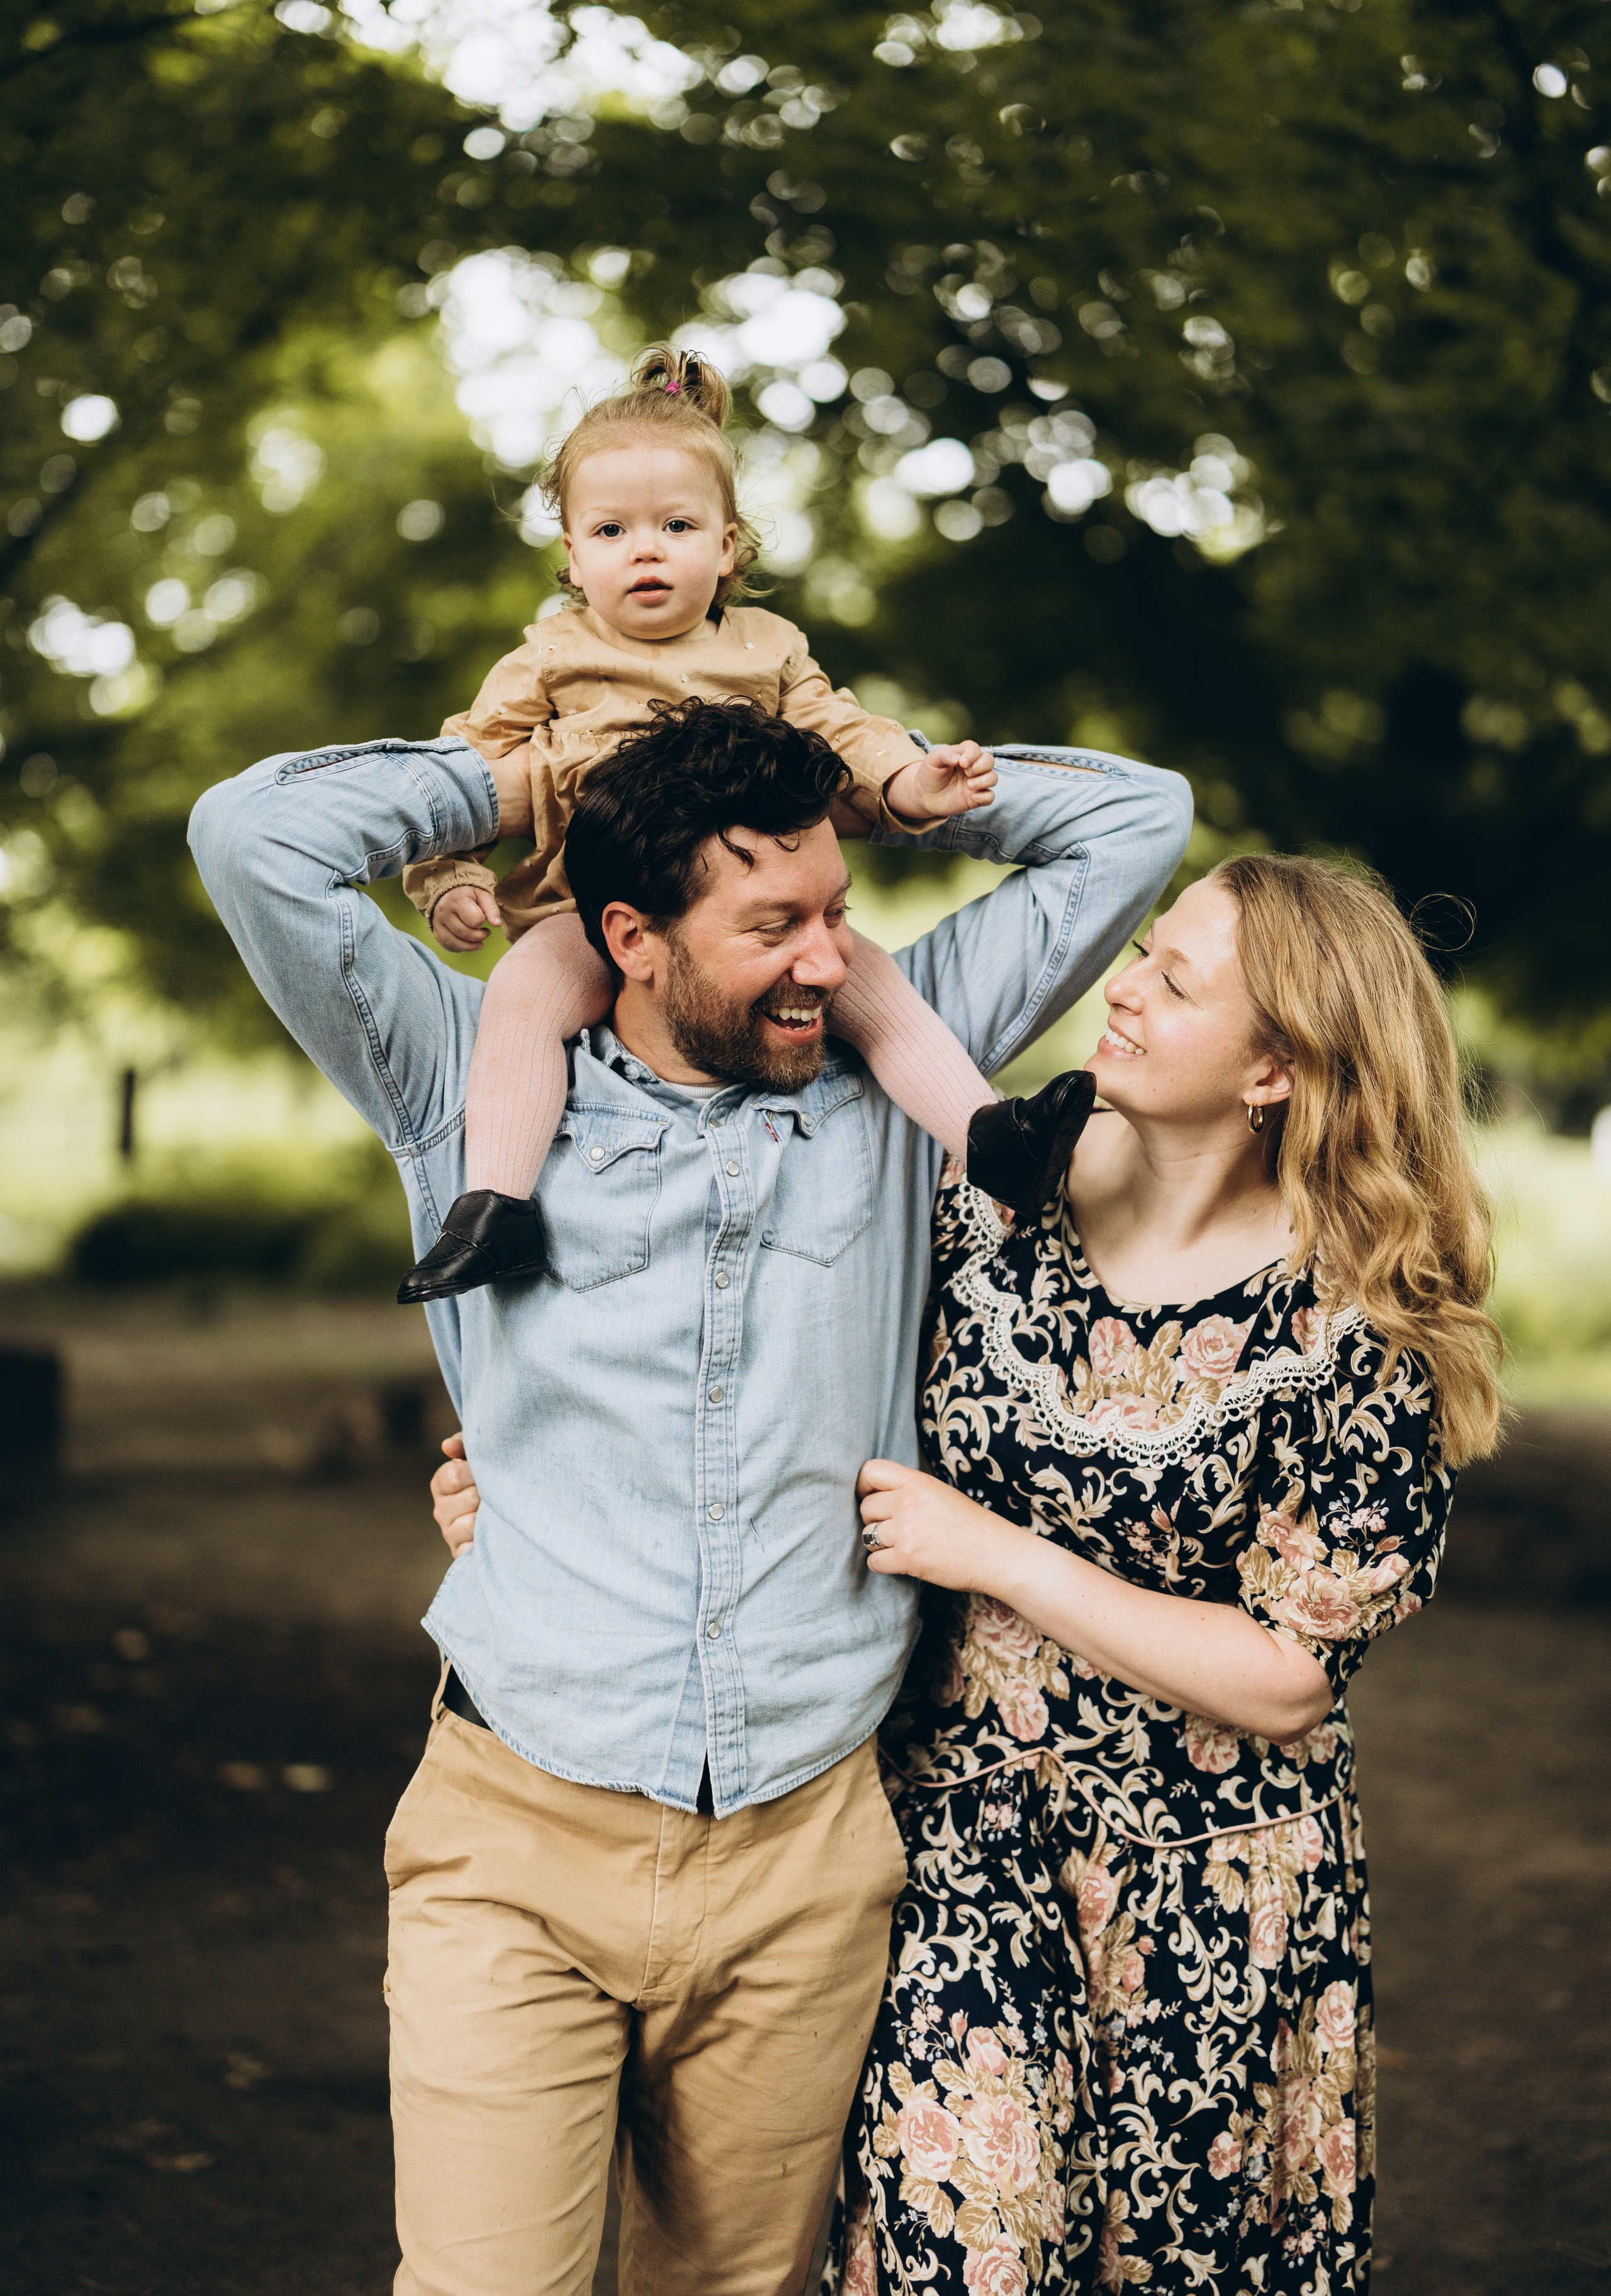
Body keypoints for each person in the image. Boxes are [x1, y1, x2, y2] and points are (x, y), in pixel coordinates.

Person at [188, 687, 1191, 2295]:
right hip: (517, 1833)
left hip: (805, 1848)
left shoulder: (887, 1054)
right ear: (629, 936)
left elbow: (1132, 817)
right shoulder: (466, 1080)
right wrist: (532, 772)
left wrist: (860, 789)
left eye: (838, 918)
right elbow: (256, 837)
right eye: (771, 923)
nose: (825, 958)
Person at [827, 853, 1503, 2293]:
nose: (1117, 990)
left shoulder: (1362, 1321)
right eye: (1140, 951)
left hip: (1216, 1896)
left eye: (1170, 980)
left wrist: (995, 1555)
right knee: (964, 2257)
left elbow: (1281, 1682)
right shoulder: (992, 1192)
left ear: (1273, 1071)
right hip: (954, 1839)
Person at [396, 342, 1003, 1304]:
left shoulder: (768, 649)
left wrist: (907, 784)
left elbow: (843, 729)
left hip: (752, 910)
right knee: (520, 999)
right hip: (586, 909)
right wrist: (453, 879)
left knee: (869, 982)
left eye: (676, 525)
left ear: (727, 548)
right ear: (571, 558)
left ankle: (992, 1134)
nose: (644, 549)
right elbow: (459, 769)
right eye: (610, 530)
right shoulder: (551, 656)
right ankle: (496, 1208)